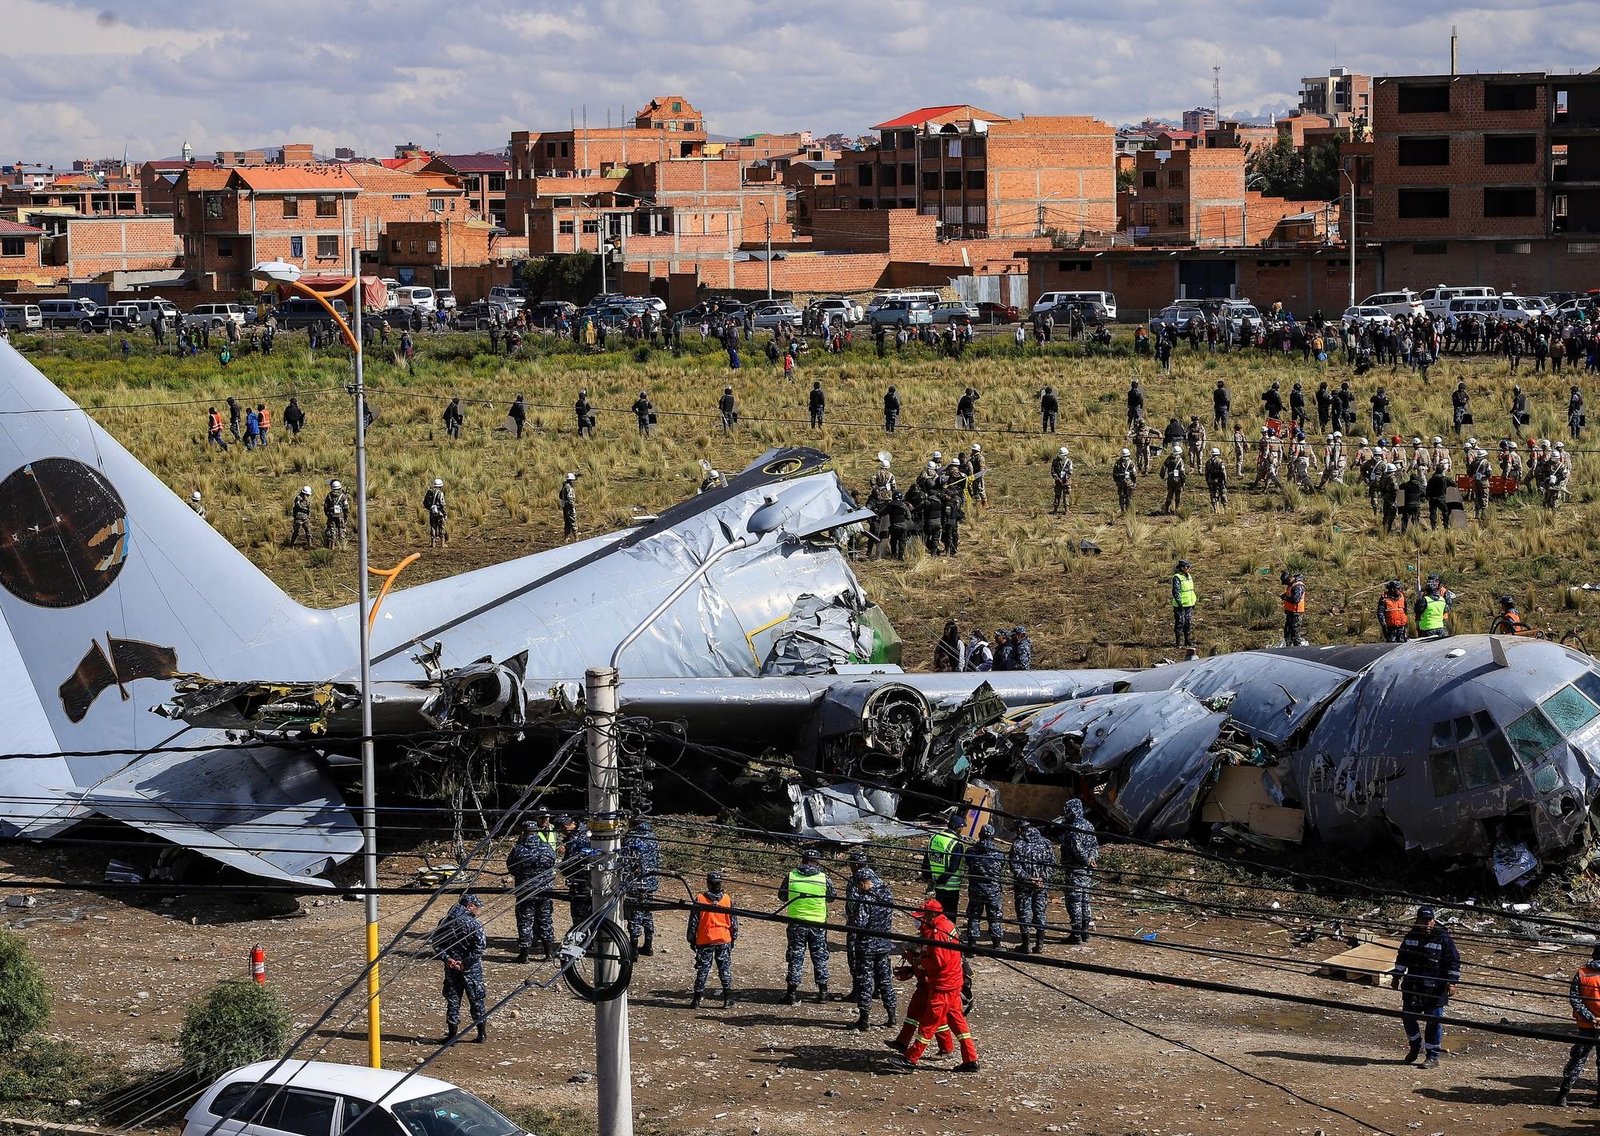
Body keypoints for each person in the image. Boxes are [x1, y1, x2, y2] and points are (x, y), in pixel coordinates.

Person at [892, 899, 980, 1074]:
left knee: (928, 1023)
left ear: (932, 914)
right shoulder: (947, 925)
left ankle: (911, 1059)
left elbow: (939, 961)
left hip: (943, 985)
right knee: (958, 1023)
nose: (921, 919)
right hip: (953, 982)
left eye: (923, 915)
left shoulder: (937, 932)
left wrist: (919, 961)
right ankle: (970, 1059)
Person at [1390, 906, 1460, 1070]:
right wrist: (1396, 977)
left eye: (1430, 920)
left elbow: (1453, 961)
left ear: (1434, 920)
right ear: (1418, 921)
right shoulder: (1410, 937)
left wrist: (1452, 982)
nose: (1427, 923)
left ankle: (1432, 1056)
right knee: (1408, 1017)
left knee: (1434, 1021)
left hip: (1435, 989)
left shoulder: (1443, 938)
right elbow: (1402, 958)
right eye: (1424, 920)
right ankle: (1415, 1046)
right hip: (1413, 986)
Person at [847, 859, 898, 1031]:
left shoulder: (865, 898)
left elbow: (860, 923)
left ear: (863, 882)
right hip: (884, 944)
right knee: (885, 980)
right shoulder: (887, 894)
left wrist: (852, 920)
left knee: (865, 980)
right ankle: (892, 1016)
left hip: (867, 946)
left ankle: (864, 1018)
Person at [779, 848, 834, 1004]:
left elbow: (782, 896)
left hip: (796, 923)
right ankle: (823, 992)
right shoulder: (824, 878)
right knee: (820, 956)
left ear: (802, 861)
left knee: (795, 956)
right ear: (817, 862)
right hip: (818, 924)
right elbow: (831, 898)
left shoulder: (791, 876)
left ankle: (791, 993)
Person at [431, 893, 488, 1043]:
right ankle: (481, 1034)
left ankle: (452, 1036)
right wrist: (465, 963)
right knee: (476, 1000)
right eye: (476, 906)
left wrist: (447, 959)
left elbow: (436, 943)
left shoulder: (445, 921)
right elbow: (480, 946)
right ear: (469, 906)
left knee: (453, 1001)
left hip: (451, 968)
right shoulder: (473, 924)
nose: (478, 910)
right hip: (471, 969)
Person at [1555, 941, 1600, 1106]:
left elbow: (1575, 1000)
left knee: (1577, 1060)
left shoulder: (1582, 973)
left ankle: (1562, 1096)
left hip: (1586, 1027)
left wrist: (1591, 1018)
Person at [507, 818, 558, 963]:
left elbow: (511, 867)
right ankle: (549, 952)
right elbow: (552, 862)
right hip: (545, 891)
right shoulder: (546, 847)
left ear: (523, 833)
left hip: (526, 891)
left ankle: (524, 954)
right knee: (545, 920)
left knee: (525, 921)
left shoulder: (518, 849)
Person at [687, 870, 737, 1009]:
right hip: (723, 939)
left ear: (708, 884)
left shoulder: (700, 899)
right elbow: (734, 923)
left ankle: (696, 1000)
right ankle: (727, 999)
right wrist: (733, 938)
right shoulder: (727, 899)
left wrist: (691, 939)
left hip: (705, 940)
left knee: (703, 970)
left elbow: (693, 922)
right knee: (724, 970)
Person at [1057, 798, 1099, 945]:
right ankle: (1085, 932)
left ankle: (1076, 934)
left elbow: (1077, 849)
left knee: (1074, 901)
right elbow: (1094, 845)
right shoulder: (1088, 825)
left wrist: (1086, 860)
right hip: (1087, 870)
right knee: (1085, 900)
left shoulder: (1073, 828)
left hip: (1075, 869)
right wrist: (1092, 859)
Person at [1009, 819, 1054, 953]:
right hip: (1041, 885)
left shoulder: (1018, 844)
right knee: (1040, 912)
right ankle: (1040, 944)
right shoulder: (1046, 843)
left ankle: (1026, 945)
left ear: (1019, 829)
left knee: (1024, 913)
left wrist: (1029, 879)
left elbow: (1015, 866)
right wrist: (1042, 878)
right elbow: (1051, 864)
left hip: (1023, 886)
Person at [621, 816, 661, 957]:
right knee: (647, 913)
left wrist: (624, 882)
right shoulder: (653, 837)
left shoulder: (631, 839)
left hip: (635, 883)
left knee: (635, 915)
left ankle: (633, 948)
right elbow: (658, 860)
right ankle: (648, 945)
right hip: (651, 883)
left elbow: (626, 863)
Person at [963, 823, 1004, 949]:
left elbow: (968, 863)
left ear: (980, 835)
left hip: (976, 889)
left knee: (974, 916)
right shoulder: (999, 853)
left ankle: (972, 945)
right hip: (993, 891)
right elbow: (1001, 867)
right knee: (994, 916)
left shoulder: (971, 851)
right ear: (993, 837)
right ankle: (996, 945)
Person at [922, 812, 966, 918]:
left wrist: (927, 877)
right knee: (949, 917)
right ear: (959, 828)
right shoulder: (957, 844)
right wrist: (943, 879)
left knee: (936, 914)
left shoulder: (934, 837)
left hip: (935, 884)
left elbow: (926, 860)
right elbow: (953, 867)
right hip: (950, 887)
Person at [558, 813, 594, 927]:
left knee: (581, 914)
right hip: (581, 881)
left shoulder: (578, 837)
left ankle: (583, 934)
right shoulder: (580, 834)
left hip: (582, 881)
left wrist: (561, 866)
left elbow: (572, 862)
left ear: (565, 826)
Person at [1171, 559, 1197, 649]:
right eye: (1187, 567)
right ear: (1182, 568)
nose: (1189, 568)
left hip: (1189, 604)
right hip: (1180, 605)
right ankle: (1178, 642)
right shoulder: (1177, 577)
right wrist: (1179, 603)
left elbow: (1191, 590)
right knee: (1180, 622)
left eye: (1189, 566)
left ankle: (1187, 640)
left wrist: (1193, 601)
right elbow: (1176, 591)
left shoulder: (1189, 576)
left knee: (1188, 622)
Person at [1281, 570, 1307, 647]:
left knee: (1295, 635)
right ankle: (1288, 648)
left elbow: (1296, 599)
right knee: (1287, 633)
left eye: (1286, 582)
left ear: (1289, 578)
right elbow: (1291, 594)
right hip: (1290, 613)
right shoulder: (1292, 584)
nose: (1285, 584)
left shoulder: (1298, 586)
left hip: (1296, 614)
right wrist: (1285, 595)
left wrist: (1286, 597)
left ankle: (1297, 650)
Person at [323, 479, 349, 549]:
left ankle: (332, 546)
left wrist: (328, 514)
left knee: (332, 531)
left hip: (331, 516)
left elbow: (325, 506)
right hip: (340, 516)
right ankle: (342, 546)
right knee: (341, 530)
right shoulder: (343, 496)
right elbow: (346, 507)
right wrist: (346, 517)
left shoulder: (329, 495)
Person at [423, 478, 447, 548]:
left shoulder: (430, 492)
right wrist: (445, 513)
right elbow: (442, 504)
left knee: (433, 527)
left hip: (432, 512)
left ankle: (433, 543)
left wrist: (430, 509)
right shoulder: (440, 493)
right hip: (439, 513)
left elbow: (425, 503)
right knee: (441, 526)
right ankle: (442, 544)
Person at [1112, 447, 1137, 515]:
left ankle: (1122, 509)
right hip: (1129, 482)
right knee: (1129, 496)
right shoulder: (1131, 463)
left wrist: (1117, 481)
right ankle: (1128, 509)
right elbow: (1134, 474)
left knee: (1121, 496)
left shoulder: (1117, 463)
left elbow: (1114, 474)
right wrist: (1134, 482)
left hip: (1120, 482)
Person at [1051, 446, 1074, 514]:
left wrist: (1066, 479)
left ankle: (1066, 510)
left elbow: (1070, 471)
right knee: (1057, 495)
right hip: (1058, 481)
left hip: (1066, 482)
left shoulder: (1069, 462)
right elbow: (1053, 471)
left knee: (1066, 495)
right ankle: (1055, 509)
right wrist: (1057, 479)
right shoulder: (1055, 462)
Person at [1204, 447, 1227, 512]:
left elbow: (1206, 473)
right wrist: (1225, 481)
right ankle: (1225, 507)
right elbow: (1223, 472)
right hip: (1220, 480)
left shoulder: (1208, 462)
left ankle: (1215, 508)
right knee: (1222, 493)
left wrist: (1208, 481)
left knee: (1213, 494)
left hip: (1211, 480)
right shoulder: (1220, 462)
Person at [559, 472, 579, 540]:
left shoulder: (564, 486)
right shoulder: (569, 488)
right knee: (573, 521)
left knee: (567, 522)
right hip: (569, 507)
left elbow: (560, 496)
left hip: (565, 507)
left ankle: (566, 538)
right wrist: (573, 507)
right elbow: (570, 499)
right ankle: (576, 537)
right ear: (571, 480)